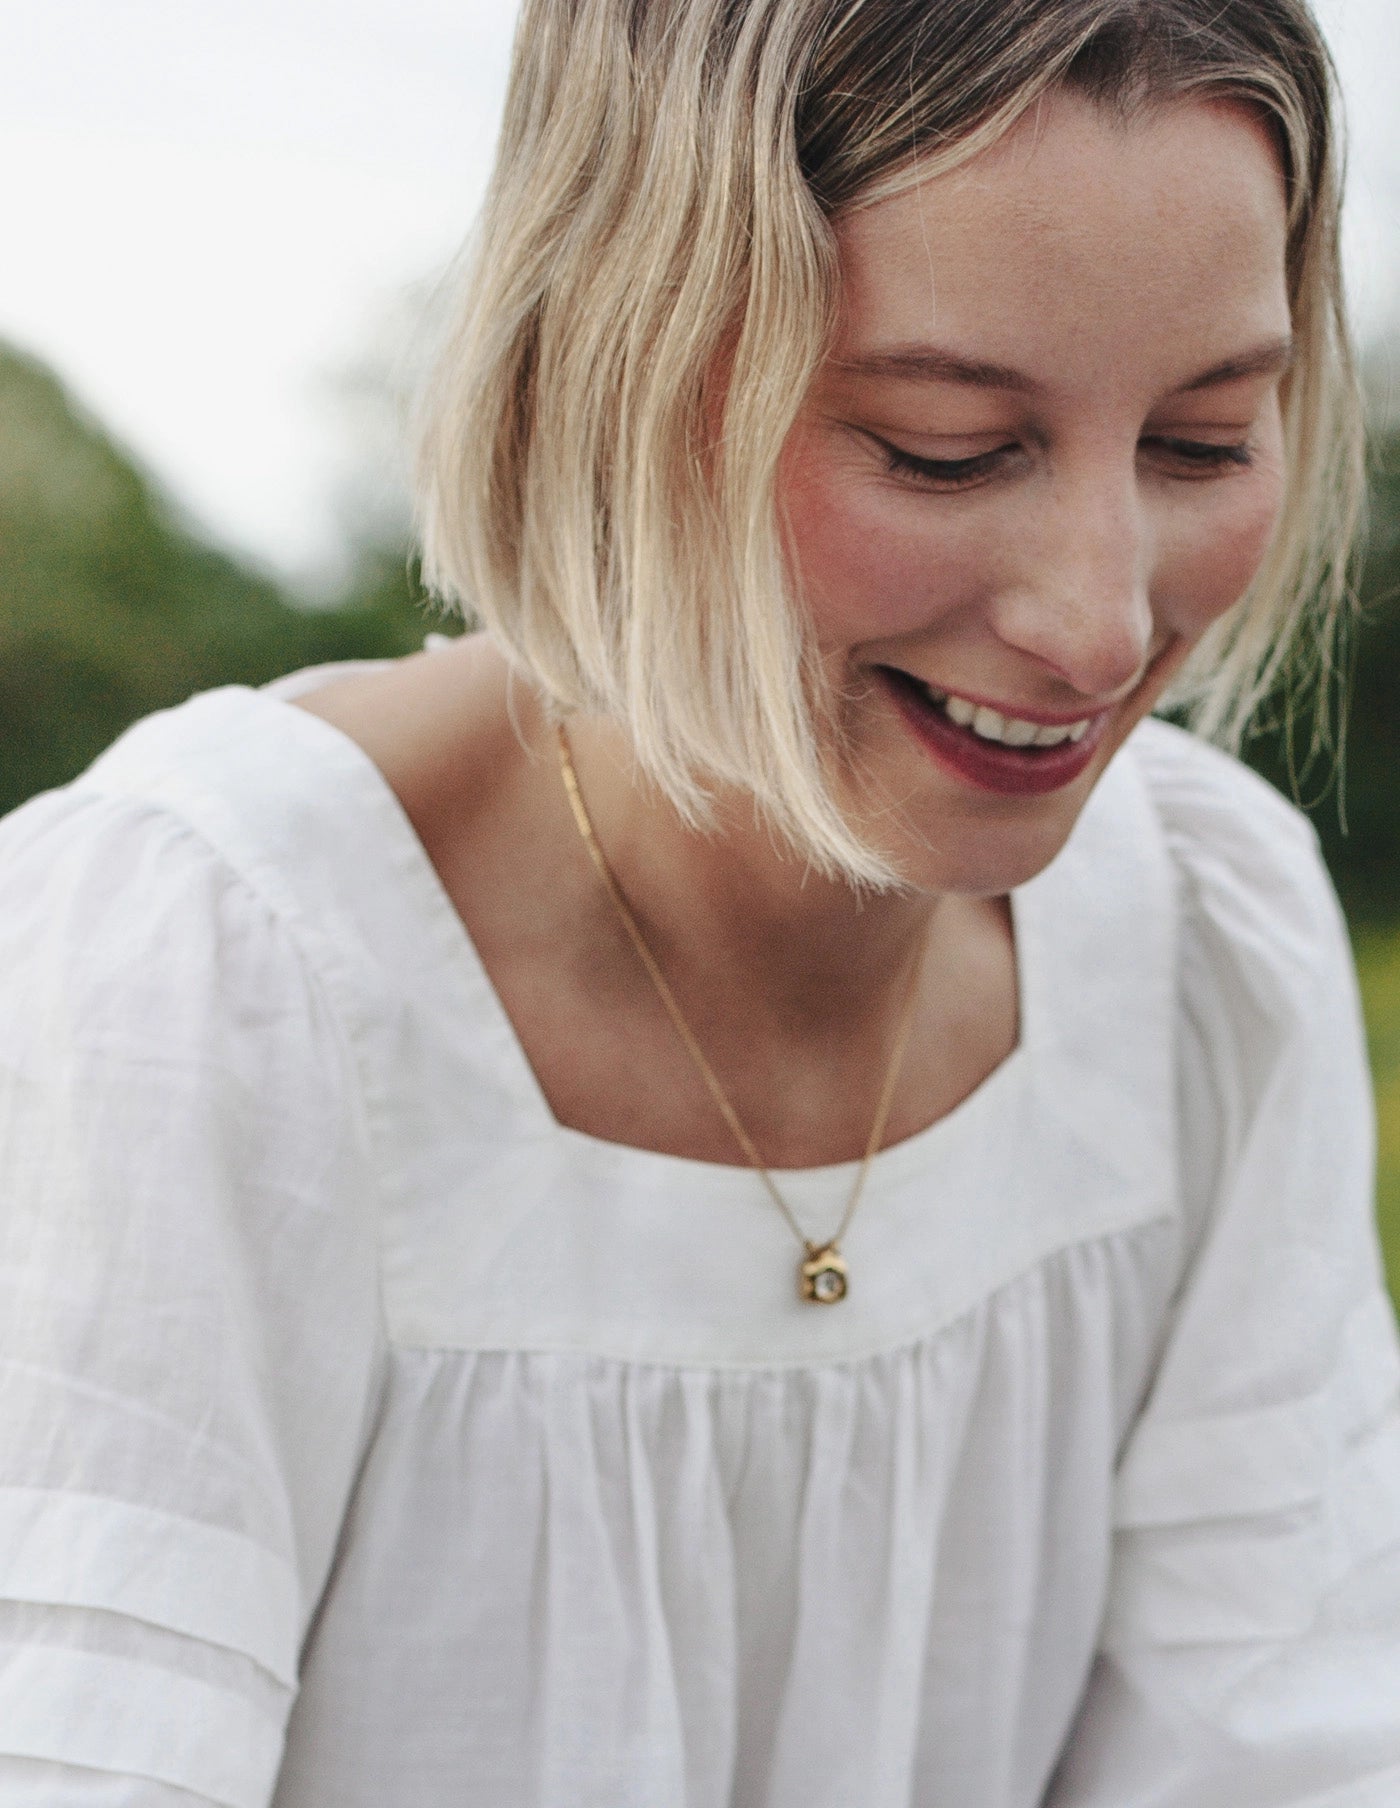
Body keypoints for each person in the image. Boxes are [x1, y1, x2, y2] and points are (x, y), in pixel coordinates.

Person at [1, 0, 1398, 1801]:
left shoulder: (1211, 943)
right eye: (947, 448)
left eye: (1202, 444)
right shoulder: (200, 976)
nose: (1104, 624)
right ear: (619, 371)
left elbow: (1292, 1742)